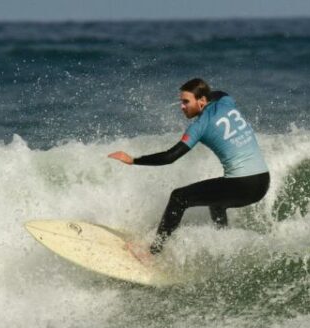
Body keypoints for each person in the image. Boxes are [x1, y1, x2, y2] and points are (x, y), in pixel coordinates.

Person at [109, 78, 270, 257]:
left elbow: (170, 157)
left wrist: (133, 160)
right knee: (216, 203)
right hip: (262, 182)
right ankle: (225, 248)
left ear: (201, 101)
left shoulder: (199, 126)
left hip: (241, 184)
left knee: (179, 197)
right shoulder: (226, 103)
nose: (182, 107)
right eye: (181, 102)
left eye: (186, 101)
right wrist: (207, 95)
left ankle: (153, 252)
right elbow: (221, 93)